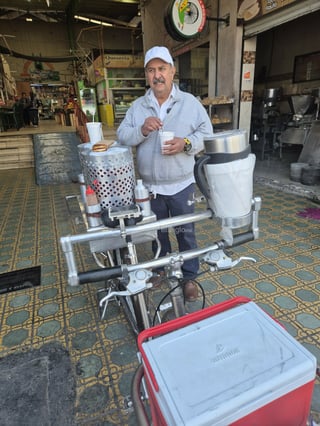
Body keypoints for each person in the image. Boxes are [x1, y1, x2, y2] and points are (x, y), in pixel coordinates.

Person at [116, 46, 214, 301]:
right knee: (157, 233)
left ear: (172, 71)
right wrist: (142, 130)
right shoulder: (138, 107)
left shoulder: (190, 103)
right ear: (146, 75)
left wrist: (186, 144)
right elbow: (122, 136)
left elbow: (207, 133)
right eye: (151, 70)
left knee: (185, 234)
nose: (157, 75)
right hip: (151, 187)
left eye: (162, 69)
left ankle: (189, 277)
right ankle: (160, 269)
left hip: (181, 184)